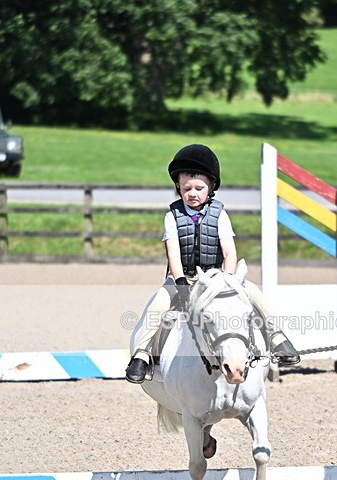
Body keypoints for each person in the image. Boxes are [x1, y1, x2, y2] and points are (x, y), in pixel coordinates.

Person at [125, 143, 300, 384]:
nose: (192, 193)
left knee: (254, 292)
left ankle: (277, 338)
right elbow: (173, 255)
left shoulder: (220, 215)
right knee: (158, 304)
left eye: (199, 188)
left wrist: (227, 281)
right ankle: (142, 354)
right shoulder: (171, 217)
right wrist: (181, 285)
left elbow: (230, 253)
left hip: (217, 277)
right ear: (178, 187)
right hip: (184, 277)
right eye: (186, 188)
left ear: (211, 187)